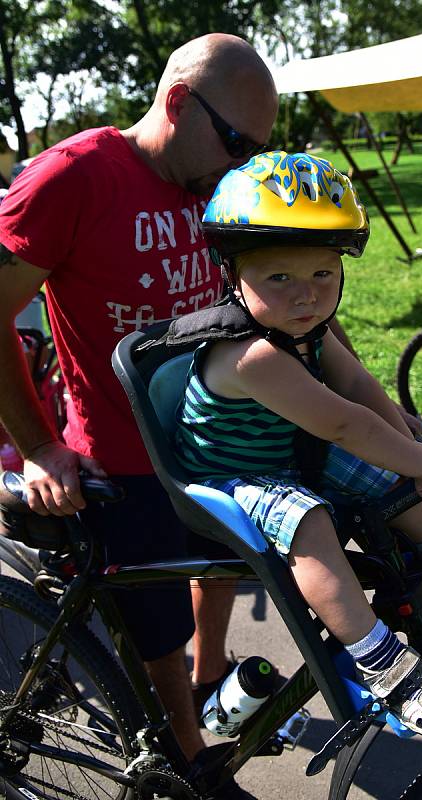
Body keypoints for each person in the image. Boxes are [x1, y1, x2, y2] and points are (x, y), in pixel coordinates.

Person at [0, 33, 279, 797]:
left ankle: (211, 670)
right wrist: (39, 448)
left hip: (210, 435)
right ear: (179, 102)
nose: (241, 165)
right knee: (158, 626)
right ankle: (191, 762)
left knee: (225, 568)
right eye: (235, 142)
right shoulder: (73, 177)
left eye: (256, 150)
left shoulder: (211, 184)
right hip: (122, 458)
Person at [174, 151, 422, 739]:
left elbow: (357, 385)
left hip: (283, 453)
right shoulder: (249, 355)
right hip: (229, 477)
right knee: (310, 524)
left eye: (323, 274)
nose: (306, 295)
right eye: (280, 277)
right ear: (232, 273)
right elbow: (344, 425)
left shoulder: (307, 330)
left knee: (380, 473)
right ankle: (379, 660)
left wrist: (411, 445)